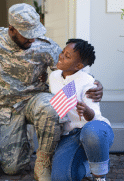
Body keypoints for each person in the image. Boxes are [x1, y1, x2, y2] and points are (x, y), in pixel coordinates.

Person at [0, 3, 104, 181]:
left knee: (51, 106)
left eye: (35, 33)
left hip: (36, 99)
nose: (32, 39)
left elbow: (73, 68)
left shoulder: (45, 46)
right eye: (27, 35)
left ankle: (44, 160)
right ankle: (22, 145)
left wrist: (95, 84)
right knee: (12, 169)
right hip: (7, 105)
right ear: (12, 30)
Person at [49, 39, 114, 181]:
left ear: (78, 65)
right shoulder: (54, 76)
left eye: (67, 56)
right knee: (59, 178)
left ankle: (99, 175)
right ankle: (86, 167)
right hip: (70, 135)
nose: (61, 56)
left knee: (91, 131)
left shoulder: (87, 81)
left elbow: (94, 118)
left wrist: (85, 110)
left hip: (93, 130)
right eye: (62, 52)